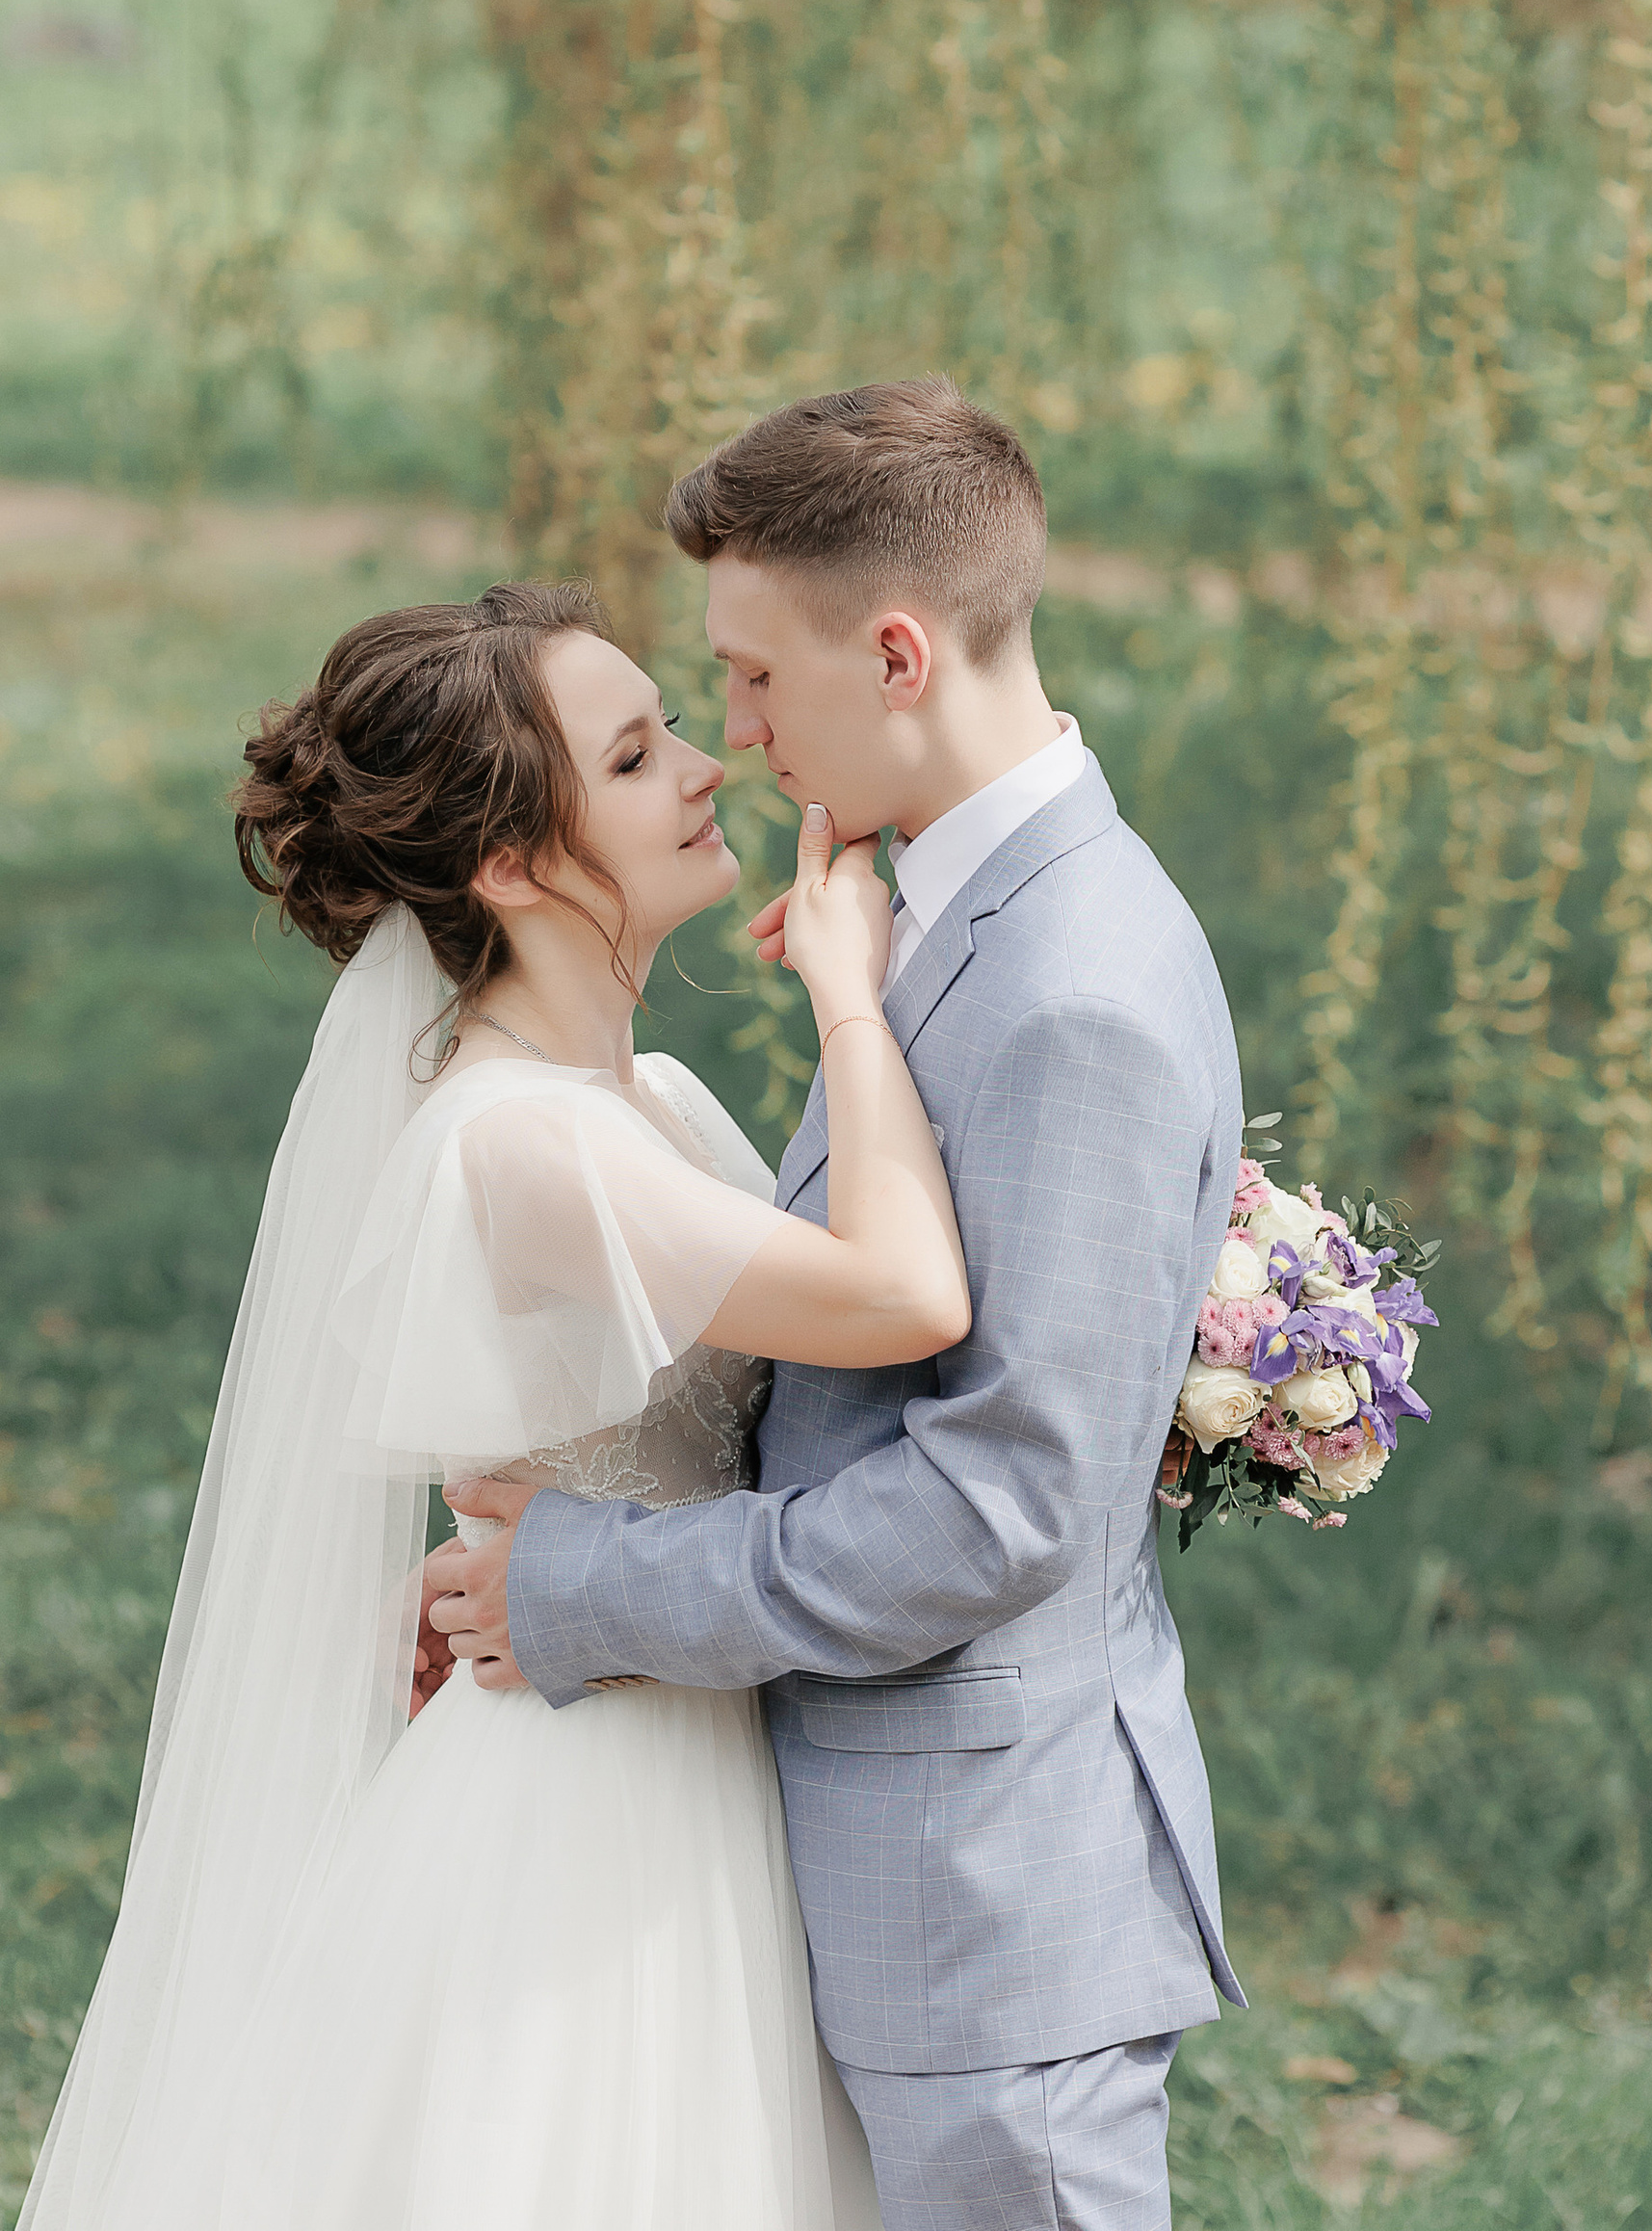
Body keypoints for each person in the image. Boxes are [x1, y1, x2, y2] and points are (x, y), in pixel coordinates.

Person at [13, 573, 964, 2231]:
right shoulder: (526, 1141)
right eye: (631, 754)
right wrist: (852, 997)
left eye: (674, 721)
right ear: (511, 867)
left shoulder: (640, 1103)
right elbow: (902, 1301)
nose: (701, 765)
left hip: (674, 1701)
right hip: (600, 1795)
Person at [429, 378, 1248, 2231]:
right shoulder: (936, 911)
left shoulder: (1074, 989)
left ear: (893, 654)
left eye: (748, 677)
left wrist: (585, 1580)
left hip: (990, 1910)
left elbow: (1005, 1506)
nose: (728, 733)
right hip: (900, 1878)